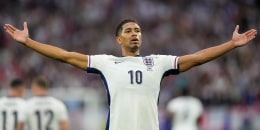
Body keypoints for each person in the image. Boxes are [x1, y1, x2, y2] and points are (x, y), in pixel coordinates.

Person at [3, 19, 257, 130]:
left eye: (138, 30)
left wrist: (230, 45)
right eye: (128, 30)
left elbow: (197, 58)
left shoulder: (158, 62)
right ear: (118, 38)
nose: (135, 33)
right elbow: (65, 55)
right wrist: (29, 42)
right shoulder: (106, 62)